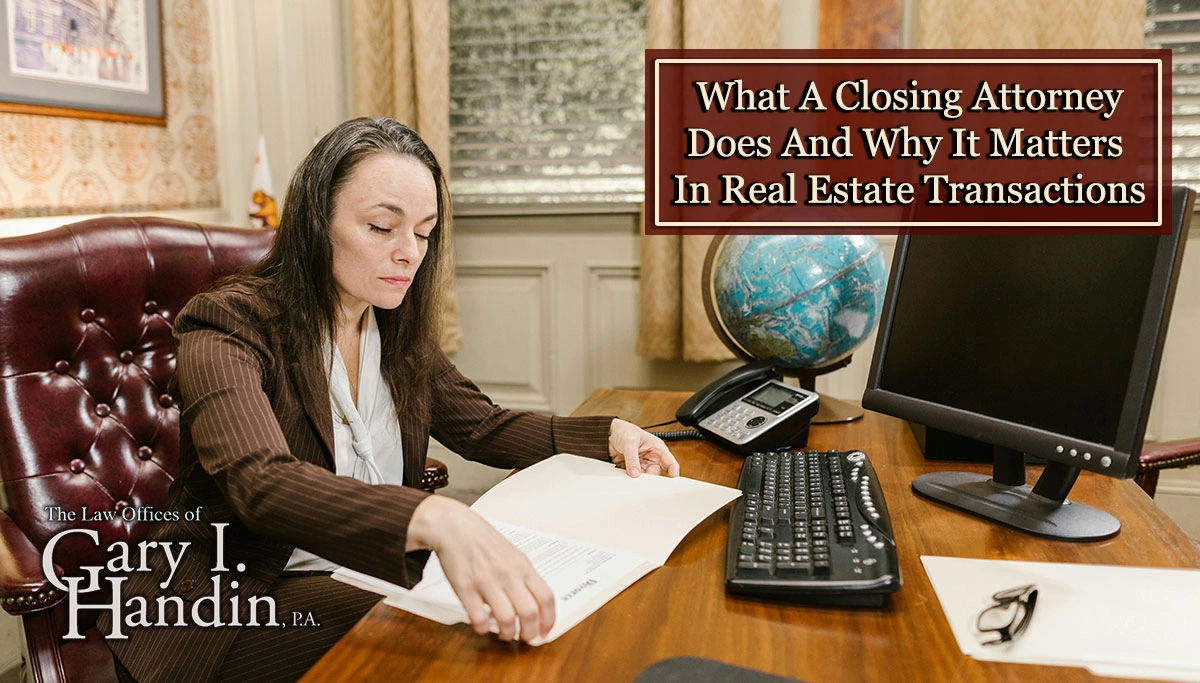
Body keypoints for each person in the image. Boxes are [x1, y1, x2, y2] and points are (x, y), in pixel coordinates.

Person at [104, 117, 679, 683]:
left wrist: (608, 434)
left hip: (355, 575)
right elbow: (261, 482)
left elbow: (481, 426)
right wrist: (434, 517)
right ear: (314, 224)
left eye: (425, 232)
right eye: (383, 227)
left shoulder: (391, 327)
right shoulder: (226, 324)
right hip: (226, 604)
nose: (410, 252)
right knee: (463, 641)